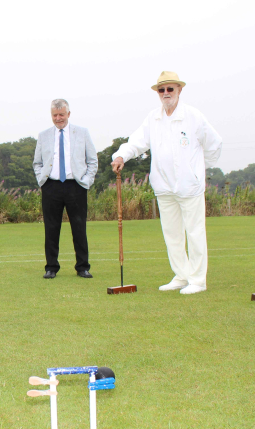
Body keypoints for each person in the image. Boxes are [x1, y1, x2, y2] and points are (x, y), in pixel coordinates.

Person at [111, 71, 222, 294]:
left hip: (189, 187)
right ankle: (181, 275)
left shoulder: (193, 116)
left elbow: (214, 144)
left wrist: (198, 171)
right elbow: (137, 141)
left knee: (195, 232)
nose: (166, 93)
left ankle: (198, 280)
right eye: (161, 90)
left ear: (179, 90)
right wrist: (121, 155)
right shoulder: (153, 118)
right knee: (172, 234)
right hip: (164, 186)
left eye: (170, 89)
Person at [32, 99, 98, 279]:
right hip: (51, 186)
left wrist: (86, 180)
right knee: (51, 228)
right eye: (55, 115)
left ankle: (82, 267)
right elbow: (37, 162)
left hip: (75, 186)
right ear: (51, 115)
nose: (58, 118)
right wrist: (42, 180)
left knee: (79, 228)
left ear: (68, 114)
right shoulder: (44, 135)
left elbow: (92, 160)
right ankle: (51, 267)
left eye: (61, 114)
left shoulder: (82, 133)